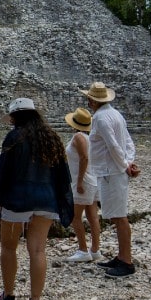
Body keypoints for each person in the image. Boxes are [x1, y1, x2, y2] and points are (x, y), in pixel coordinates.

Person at [0, 98, 73, 300]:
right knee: (38, 250)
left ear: (15, 116)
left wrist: (1, 199)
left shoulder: (14, 138)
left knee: (9, 247)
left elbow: (4, 172)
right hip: (45, 199)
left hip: (17, 199)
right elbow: (63, 174)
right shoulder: (52, 138)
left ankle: (8, 297)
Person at [80, 82, 139, 278]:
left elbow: (113, 146)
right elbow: (128, 142)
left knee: (119, 217)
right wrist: (128, 162)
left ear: (92, 100)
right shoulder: (116, 114)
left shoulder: (101, 118)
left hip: (110, 171)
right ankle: (122, 256)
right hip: (113, 170)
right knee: (115, 215)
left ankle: (127, 261)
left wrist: (124, 166)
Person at [63, 107, 103, 263]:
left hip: (84, 180)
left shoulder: (79, 137)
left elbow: (84, 158)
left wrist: (79, 181)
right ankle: (95, 249)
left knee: (75, 216)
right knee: (93, 216)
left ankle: (83, 249)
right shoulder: (90, 138)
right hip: (92, 180)